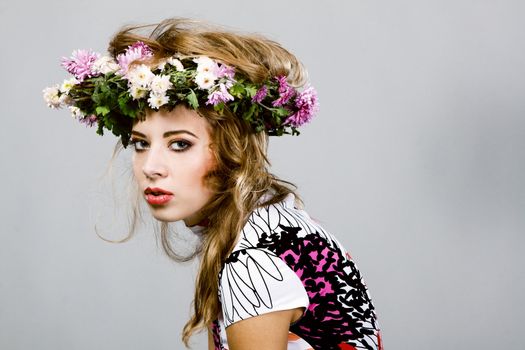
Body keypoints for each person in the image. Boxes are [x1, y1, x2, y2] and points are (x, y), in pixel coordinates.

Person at [44, 18, 383, 350]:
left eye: (180, 144)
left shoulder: (252, 263)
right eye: (141, 143)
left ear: (231, 150)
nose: (151, 167)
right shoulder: (270, 223)